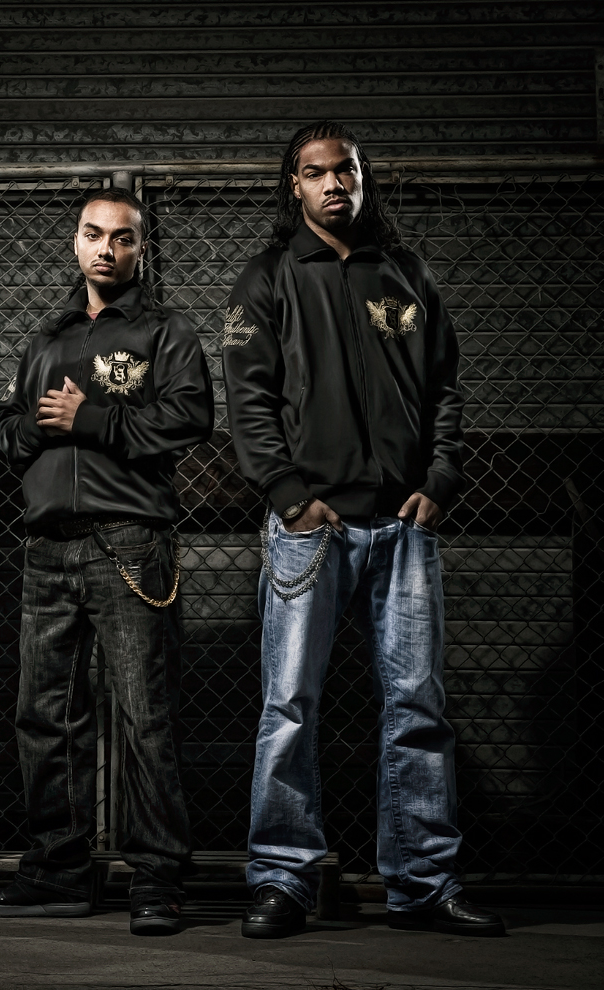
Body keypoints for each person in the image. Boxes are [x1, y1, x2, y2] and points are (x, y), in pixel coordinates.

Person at [222, 121, 505, 939]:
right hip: (310, 529)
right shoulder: (269, 277)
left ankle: (422, 884)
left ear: (362, 176)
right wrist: (289, 496)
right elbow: (248, 398)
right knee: (290, 706)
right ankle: (283, 880)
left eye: (344, 169)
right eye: (315, 173)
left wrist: (439, 481)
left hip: (402, 527)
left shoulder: (405, 273)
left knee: (418, 706)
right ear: (295, 186)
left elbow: (445, 386)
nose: (333, 184)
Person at [0, 188, 213, 935]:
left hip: (130, 543)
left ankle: (157, 877)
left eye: (123, 237)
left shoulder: (166, 331)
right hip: (47, 548)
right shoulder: (47, 337)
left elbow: (190, 416)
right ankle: (58, 870)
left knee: (144, 716)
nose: (107, 247)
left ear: (141, 249)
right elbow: (5, 427)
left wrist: (91, 419)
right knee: (43, 715)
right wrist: (40, 429)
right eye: (93, 234)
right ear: (75, 243)